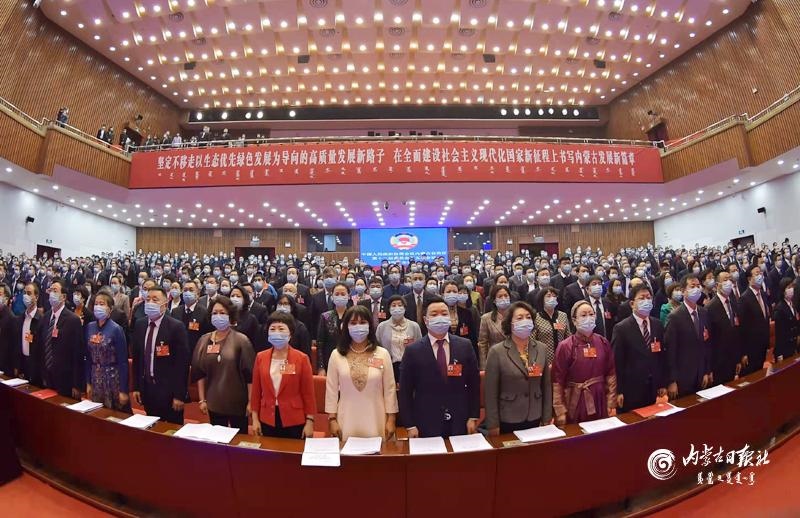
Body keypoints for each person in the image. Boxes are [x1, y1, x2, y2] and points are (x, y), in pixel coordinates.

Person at [399, 296, 481, 438]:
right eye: (434, 314)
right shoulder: (413, 351)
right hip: (426, 421)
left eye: (444, 313)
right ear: (425, 320)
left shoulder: (465, 345)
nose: (440, 318)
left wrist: (473, 416)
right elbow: (405, 391)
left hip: (460, 419)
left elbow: (474, 384)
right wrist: (410, 425)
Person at [326, 305, 398, 440]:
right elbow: (331, 390)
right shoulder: (336, 355)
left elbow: (390, 389)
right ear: (346, 327)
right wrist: (332, 419)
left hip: (377, 418)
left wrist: (391, 419)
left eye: (362, 322)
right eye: (353, 323)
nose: (358, 326)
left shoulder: (382, 354)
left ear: (370, 326)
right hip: (346, 418)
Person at [485, 301, 552, 434]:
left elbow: (546, 386)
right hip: (508, 418)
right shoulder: (497, 351)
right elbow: (490, 392)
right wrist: (493, 424)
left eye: (528, 317)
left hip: (535, 415)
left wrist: (547, 417)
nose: (525, 321)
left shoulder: (541, 348)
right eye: (519, 318)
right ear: (510, 323)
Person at [192, 296, 255, 434]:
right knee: (217, 440)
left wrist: (251, 402)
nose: (218, 316)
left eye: (222, 313)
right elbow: (199, 373)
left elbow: (250, 375)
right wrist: (202, 400)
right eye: (215, 313)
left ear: (230, 316)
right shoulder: (204, 340)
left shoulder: (241, 340)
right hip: (213, 402)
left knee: (238, 440)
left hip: (237, 403)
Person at [251, 312, 316, 439]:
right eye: (272, 329)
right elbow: (256, 392)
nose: (276, 333)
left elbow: (308, 393)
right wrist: (255, 419)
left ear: (290, 333)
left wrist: (310, 421)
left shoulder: (301, 358)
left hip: (294, 418)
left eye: (281, 329)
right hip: (267, 417)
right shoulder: (260, 357)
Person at [552, 300, 617, 425]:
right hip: (575, 399)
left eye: (591, 314)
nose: (588, 318)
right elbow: (557, 381)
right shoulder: (565, 346)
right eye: (583, 315)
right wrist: (560, 410)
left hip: (599, 398)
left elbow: (611, 374)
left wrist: (611, 401)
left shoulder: (603, 342)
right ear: (574, 320)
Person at [131, 287, 190, 425]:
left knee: (171, 432)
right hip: (147, 389)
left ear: (165, 304)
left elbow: (182, 364)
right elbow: (137, 359)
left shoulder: (176, 327)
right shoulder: (140, 325)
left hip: (169, 392)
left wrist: (179, 395)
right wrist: (136, 387)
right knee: (152, 428)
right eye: (148, 299)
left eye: (155, 300)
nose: (150, 303)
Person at [611, 285, 667, 412]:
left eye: (648, 297)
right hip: (631, 388)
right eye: (642, 298)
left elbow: (661, 357)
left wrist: (662, 382)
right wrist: (618, 391)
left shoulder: (657, 324)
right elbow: (617, 362)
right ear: (632, 304)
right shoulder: (621, 328)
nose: (646, 301)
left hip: (652, 386)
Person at [664, 275, 712, 399]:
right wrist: (672, 380)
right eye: (692, 286)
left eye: (698, 286)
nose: (696, 289)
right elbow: (670, 351)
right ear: (683, 291)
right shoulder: (674, 317)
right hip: (682, 377)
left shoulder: (703, 312)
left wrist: (706, 371)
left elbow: (706, 344)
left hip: (700, 373)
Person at [36, 280, 84, 398]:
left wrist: (77, 384)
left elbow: (77, 353)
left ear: (63, 297)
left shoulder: (73, 320)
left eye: (55, 290)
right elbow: (41, 346)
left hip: (65, 378)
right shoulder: (45, 317)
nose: (52, 293)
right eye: (50, 290)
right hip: (47, 376)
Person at [84, 292, 130, 412]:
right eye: (96, 304)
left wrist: (123, 390)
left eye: (102, 304)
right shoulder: (89, 327)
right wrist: (88, 381)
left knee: (114, 415)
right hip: (95, 377)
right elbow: (88, 357)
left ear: (110, 308)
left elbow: (123, 362)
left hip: (112, 378)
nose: (98, 306)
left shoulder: (116, 329)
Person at [705, 271, 744, 384]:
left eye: (730, 280)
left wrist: (738, 358)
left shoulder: (733, 303)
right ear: (717, 285)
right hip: (718, 362)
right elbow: (709, 341)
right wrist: (709, 368)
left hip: (732, 358)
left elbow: (737, 332)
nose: (729, 282)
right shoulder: (710, 307)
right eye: (725, 280)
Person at [375, 295, 422, 382]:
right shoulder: (382, 327)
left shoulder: (414, 326)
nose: (397, 308)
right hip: (389, 366)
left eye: (400, 305)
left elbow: (420, 348)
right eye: (393, 305)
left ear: (404, 308)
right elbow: (377, 349)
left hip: (410, 366)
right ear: (389, 309)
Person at [738, 265, 771, 374]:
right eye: (757, 274)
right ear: (749, 279)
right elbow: (742, 328)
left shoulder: (763, 294)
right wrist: (743, 352)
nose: (760, 276)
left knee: (761, 373)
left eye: (761, 273)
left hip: (762, 344)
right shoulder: (744, 298)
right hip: (751, 348)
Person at [316, 282, 351, 375]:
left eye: (343, 294)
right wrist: (321, 367)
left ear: (348, 296)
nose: (340, 296)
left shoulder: (353, 316)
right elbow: (320, 343)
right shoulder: (325, 316)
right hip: (329, 360)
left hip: (350, 359)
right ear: (332, 297)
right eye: (337, 294)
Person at [532, 287, 572, 366]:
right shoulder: (536, 318)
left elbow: (568, 336)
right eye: (548, 296)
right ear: (542, 299)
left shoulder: (563, 315)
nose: (552, 298)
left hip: (562, 357)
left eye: (554, 296)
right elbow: (532, 341)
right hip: (544, 358)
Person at [477, 285, 512, 369]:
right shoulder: (486, 318)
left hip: (515, 358)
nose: (503, 298)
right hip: (495, 359)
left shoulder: (516, 316)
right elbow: (482, 344)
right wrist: (484, 366)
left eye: (506, 295)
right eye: (500, 296)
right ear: (494, 300)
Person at [441, 281, 478, 358]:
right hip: (443, 352)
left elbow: (473, 338)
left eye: (454, 292)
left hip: (463, 352)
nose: (452, 294)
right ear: (442, 294)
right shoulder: (438, 314)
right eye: (448, 292)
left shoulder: (467, 313)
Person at [12, 283, 41, 382]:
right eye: (24, 293)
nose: (25, 296)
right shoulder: (20, 319)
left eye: (29, 293)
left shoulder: (42, 320)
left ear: (36, 297)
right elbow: (17, 344)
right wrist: (17, 365)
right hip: (22, 365)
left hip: (36, 367)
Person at [773, 278, 799, 361]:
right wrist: (779, 353)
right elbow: (779, 333)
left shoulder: (792, 304)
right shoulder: (779, 309)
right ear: (783, 290)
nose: (791, 289)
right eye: (788, 287)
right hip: (785, 347)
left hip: (794, 344)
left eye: (792, 287)